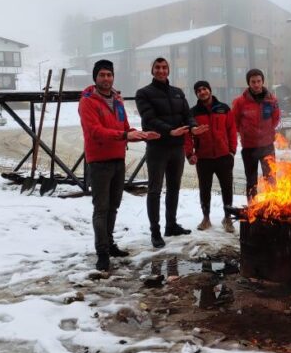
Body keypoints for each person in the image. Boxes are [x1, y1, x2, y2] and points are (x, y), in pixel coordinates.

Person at [79, 59, 160, 271]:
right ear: (95, 77)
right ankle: (102, 252)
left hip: (118, 160)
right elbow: (95, 131)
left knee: (113, 206)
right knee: (101, 208)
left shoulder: (117, 99)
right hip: (98, 162)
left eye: (109, 75)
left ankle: (110, 243)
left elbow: (124, 128)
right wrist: (125, 134)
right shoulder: (87, 101)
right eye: (102, 75)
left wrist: (141, 135)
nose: (106, 78)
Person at [136, 57, 208, 248]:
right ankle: (155, 231)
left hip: (177, 148)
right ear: (152, 71)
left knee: (174, 188)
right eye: (157, 67)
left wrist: (192, 128)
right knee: (155, 190)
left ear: (169, 70)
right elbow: (149, 118)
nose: (161, 70)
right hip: (157, 148)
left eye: (164, 67)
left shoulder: (178, 92)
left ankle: (171, 225)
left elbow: (187, 115)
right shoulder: (143, 93)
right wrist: (169, 131)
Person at [184, 80, 237, 233]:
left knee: (227, 188)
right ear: (196, 94)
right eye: (198, 90)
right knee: (204, 189)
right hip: (204, 158)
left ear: (210, 90)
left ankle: (228, 218)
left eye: (204, 89)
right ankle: (206, 218)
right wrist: (189, 154)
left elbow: (232, 130)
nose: (202, 92)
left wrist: (232, 151)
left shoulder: (223, 109)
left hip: (223, 156)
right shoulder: (192, 112)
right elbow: (187, 136)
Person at [232, 68, 281, 201]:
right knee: (251, 181)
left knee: (271, 179)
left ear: (263, 81)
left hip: (267, 147)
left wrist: (268, 132)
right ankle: (252, 207)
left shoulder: (271, 100)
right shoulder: (240, 102)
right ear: (249, 83)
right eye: (253, 82)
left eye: (259, 81)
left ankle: (273, 205)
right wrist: (245, 133)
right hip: (250, 148)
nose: (256, 84)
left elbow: (276, 118)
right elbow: (234, 122)